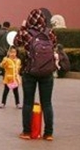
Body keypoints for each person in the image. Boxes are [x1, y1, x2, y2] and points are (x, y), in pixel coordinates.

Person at [14, 8, 57, 141]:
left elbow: (15, 43)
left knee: (28, 103)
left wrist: (22, 27)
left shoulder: (26, 32)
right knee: (47, 103)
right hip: (47, 72)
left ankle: (27, 132)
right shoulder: (49, 32)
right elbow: (54, 44)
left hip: (30, 71)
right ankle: (48, 133)